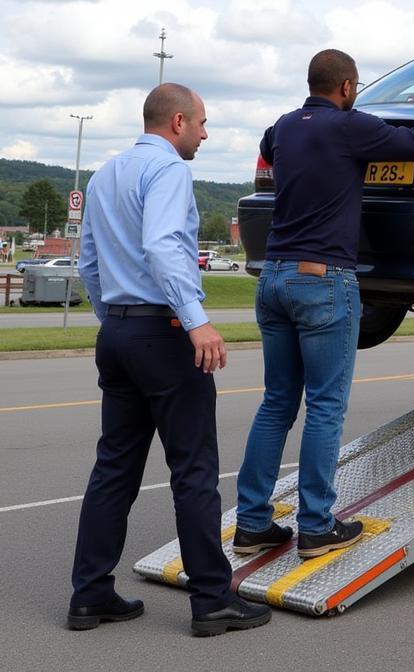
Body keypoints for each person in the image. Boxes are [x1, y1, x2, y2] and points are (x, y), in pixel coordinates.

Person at [233, 49, 414, 559]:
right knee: (325, 406)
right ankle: (315, 527)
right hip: (322, 281)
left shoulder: (285, 127)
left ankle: (251, 524)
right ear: (348, 87)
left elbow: (267, 141)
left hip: (274, 278)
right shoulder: (349, 128)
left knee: (277, 404)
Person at [69, 83, 271, 638]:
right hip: (163, 331)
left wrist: (111, 320)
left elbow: (88, 260)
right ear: (178, 121)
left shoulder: (107, 173)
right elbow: (162, 245)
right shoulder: (169, 172)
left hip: (119, 333)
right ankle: (211, 601)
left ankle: (89, 595)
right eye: (202, 124)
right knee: (194, 472)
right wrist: (196, 317)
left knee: (114, 467)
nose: (205, 135)